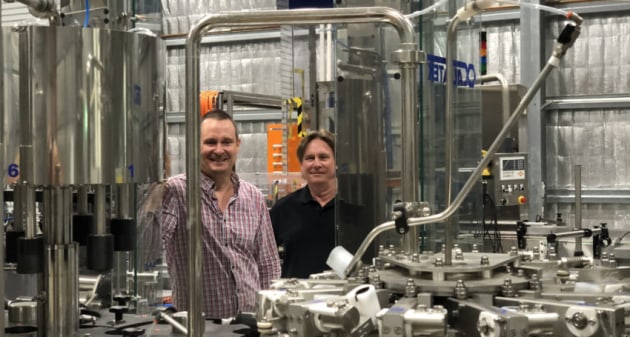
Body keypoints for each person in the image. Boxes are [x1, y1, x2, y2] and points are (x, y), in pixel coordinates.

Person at [161, 109, 280, 318]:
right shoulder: (177, 191)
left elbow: (268, 265)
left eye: (226, 142)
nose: (219, 150)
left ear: (238, 144)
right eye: (210, 142)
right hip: (199, 328)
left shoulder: (253, 196)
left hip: (250, 326)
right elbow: (151, 246)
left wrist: (268, 317)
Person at [270, 130, 337, 278]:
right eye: (310, 158)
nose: (316, 164)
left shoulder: (352, 208)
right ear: (302, 165)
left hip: (347, 298)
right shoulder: (283, 209)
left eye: (323, 157)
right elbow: (263, 259)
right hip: (296, 299)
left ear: (336, 163)